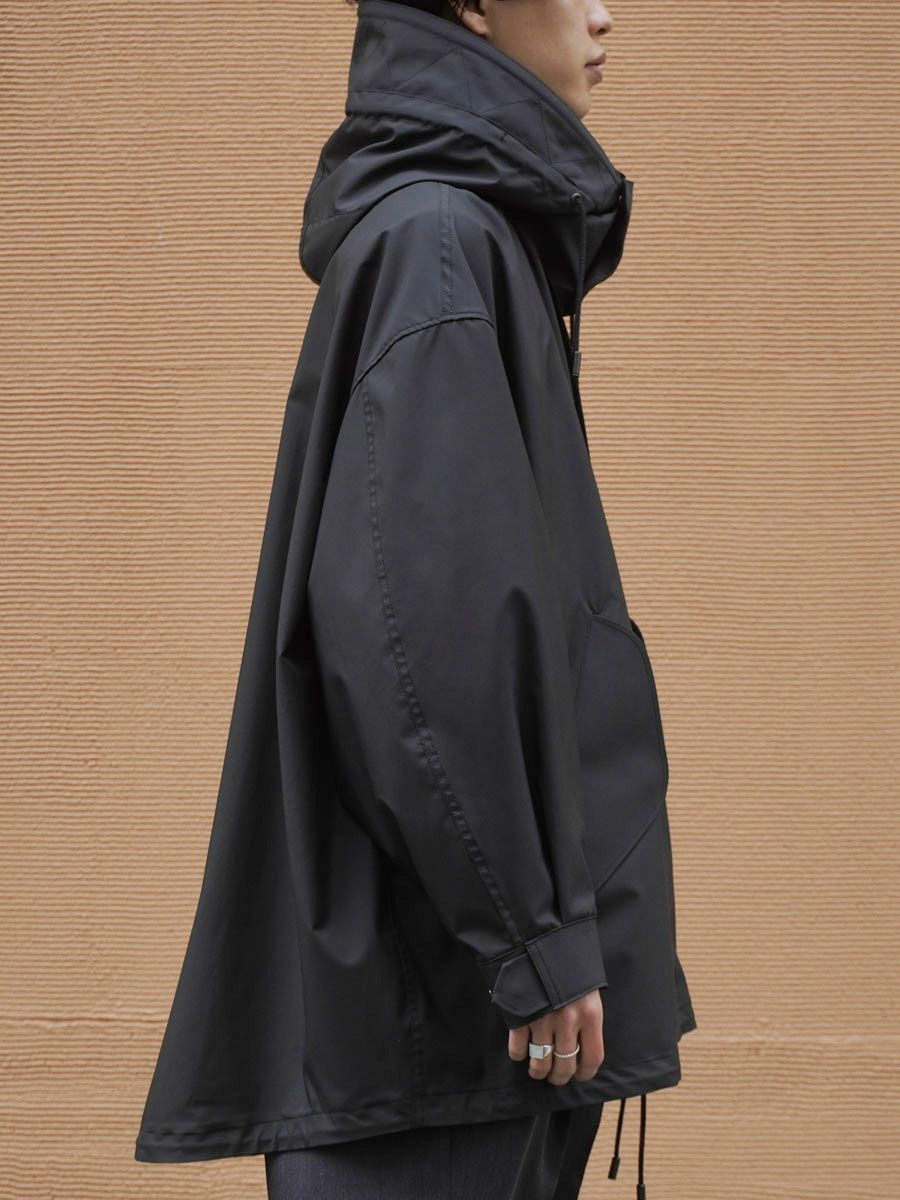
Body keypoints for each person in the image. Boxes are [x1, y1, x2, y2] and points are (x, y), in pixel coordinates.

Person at [134, 1, 697, 1196]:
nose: (607, 13)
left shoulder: (462, 238)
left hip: (464, 1031)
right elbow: (421, 643)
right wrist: (535, 936)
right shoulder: (441, 242)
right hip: (446, 1033)